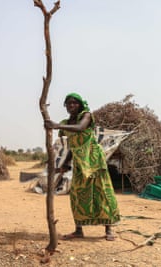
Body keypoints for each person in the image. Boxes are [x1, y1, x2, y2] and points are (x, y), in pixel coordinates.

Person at [44, 92, 120, 241]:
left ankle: (109, 229)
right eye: (69, 103)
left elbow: (80, 128)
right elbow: (73, 146)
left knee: (102, 193)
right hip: (79, 162)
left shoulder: (86, 116)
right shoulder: (66, 123)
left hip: (94, 159)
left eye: (75, 103)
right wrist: (66, 163)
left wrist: (56, 125)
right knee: (77, 195)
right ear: (65, 106)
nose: (72, 105)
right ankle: (79, 230)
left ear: (80, 105)